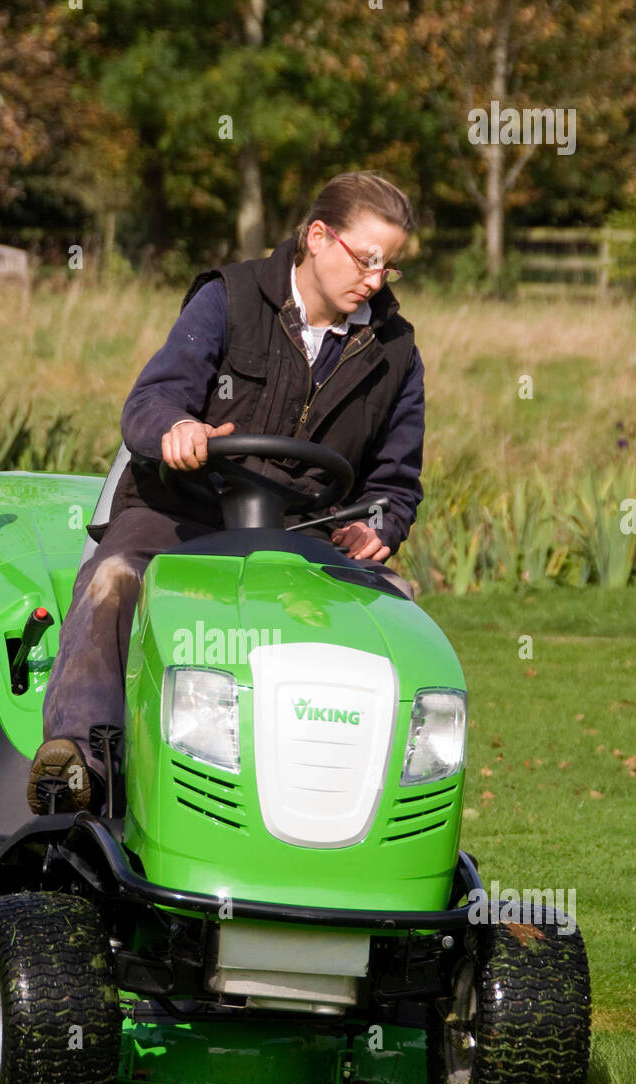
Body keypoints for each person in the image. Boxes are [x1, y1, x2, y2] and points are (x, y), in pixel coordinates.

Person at [27, 169, 425, 815]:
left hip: (303, 537)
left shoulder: (395, 353)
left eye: (390, 267)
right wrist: (176, 429)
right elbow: (151, 401)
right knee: (114, 578)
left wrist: (379, 526)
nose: (375, 282)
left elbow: (395, 482)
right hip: (178, 513)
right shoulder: (228, 298)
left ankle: (370, 798)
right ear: (318, 237)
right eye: (366, 260)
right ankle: (79, 756)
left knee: (399, 607)